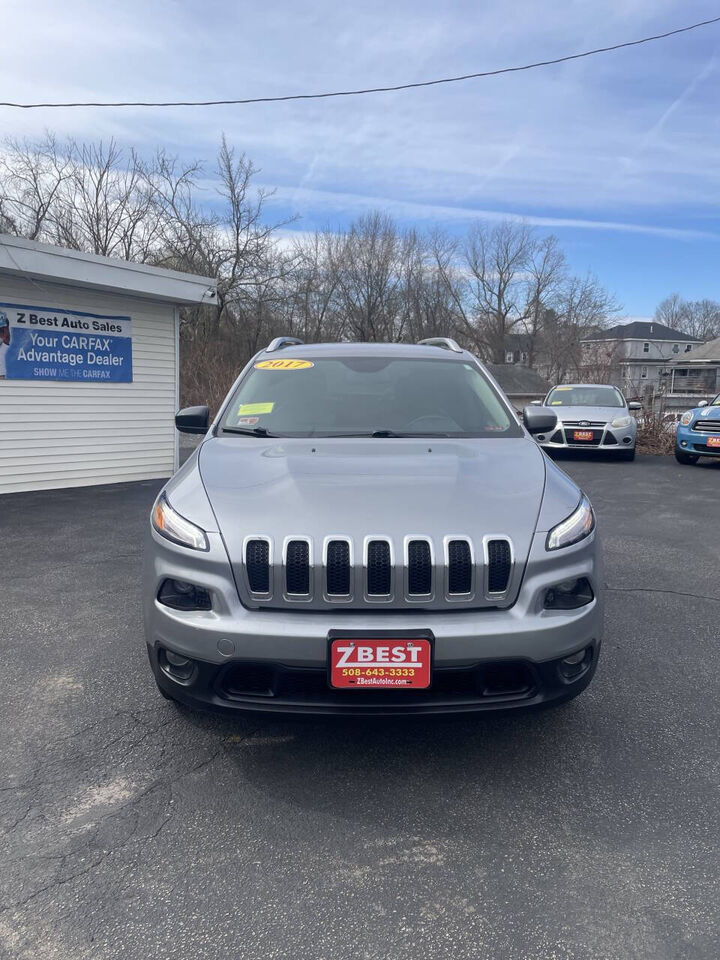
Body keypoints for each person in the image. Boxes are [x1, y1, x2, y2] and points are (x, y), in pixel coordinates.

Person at [0, 311, 10, 379]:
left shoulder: (3, 318)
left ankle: (1, 377)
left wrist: (2, 339)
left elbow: (6, 331)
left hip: (4, 341)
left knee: (0, 355)